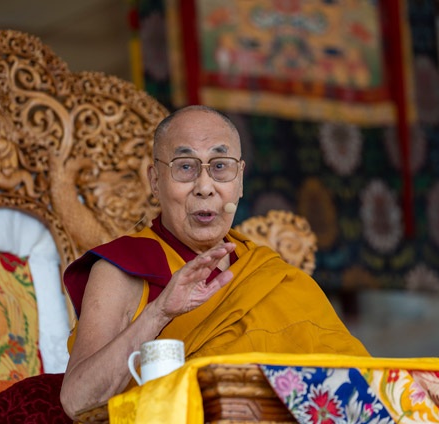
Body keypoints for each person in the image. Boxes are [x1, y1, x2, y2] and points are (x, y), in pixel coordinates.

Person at [58, 105, 369, 419]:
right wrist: (158, 313)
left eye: (220, 166)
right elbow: (77, 402)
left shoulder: (271, 275)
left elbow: (358, 388)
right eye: (185, 167)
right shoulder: (121, 270)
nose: (205, 187)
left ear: (240, 180)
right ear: (155, 181)